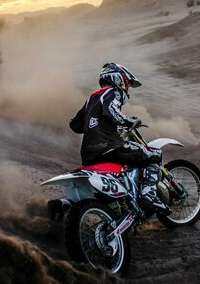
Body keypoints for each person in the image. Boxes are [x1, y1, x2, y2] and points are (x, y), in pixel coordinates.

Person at [69, 62, 170, 214]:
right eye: (128, 84)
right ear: (118, 78)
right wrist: (128, 121)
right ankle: (148, 196)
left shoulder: (92, 98)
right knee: (154, 154)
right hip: (109, 147)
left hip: (89, 154)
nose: (127, 89)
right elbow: (111, 111)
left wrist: (95, 122)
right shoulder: (113, 92)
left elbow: (75, 125)